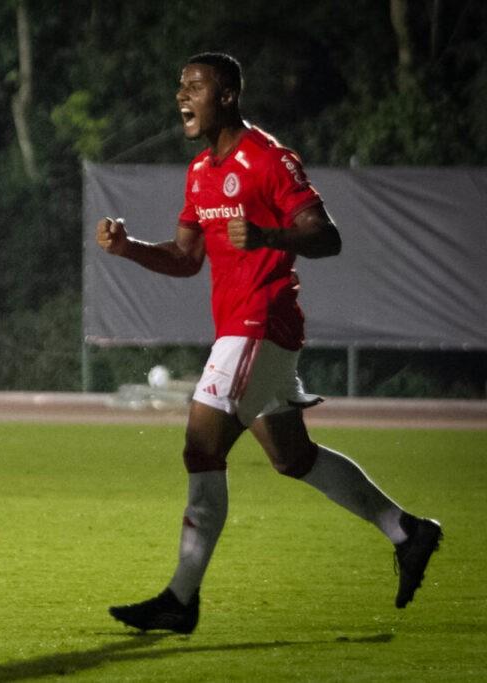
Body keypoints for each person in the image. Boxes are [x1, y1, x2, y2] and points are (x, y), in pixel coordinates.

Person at [96, 53, 441, 634]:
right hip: (245, 331)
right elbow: (185, 257)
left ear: (227, 96)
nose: (182, 96)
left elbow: (326, 236)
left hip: (259, 325)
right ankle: (406, 531)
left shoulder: (268, 158)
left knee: (202, 447)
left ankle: (180, 598)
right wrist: (129, 247)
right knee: (292, 457)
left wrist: (267, 236)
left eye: (195, 87)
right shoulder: (200, 171)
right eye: (180, 86)